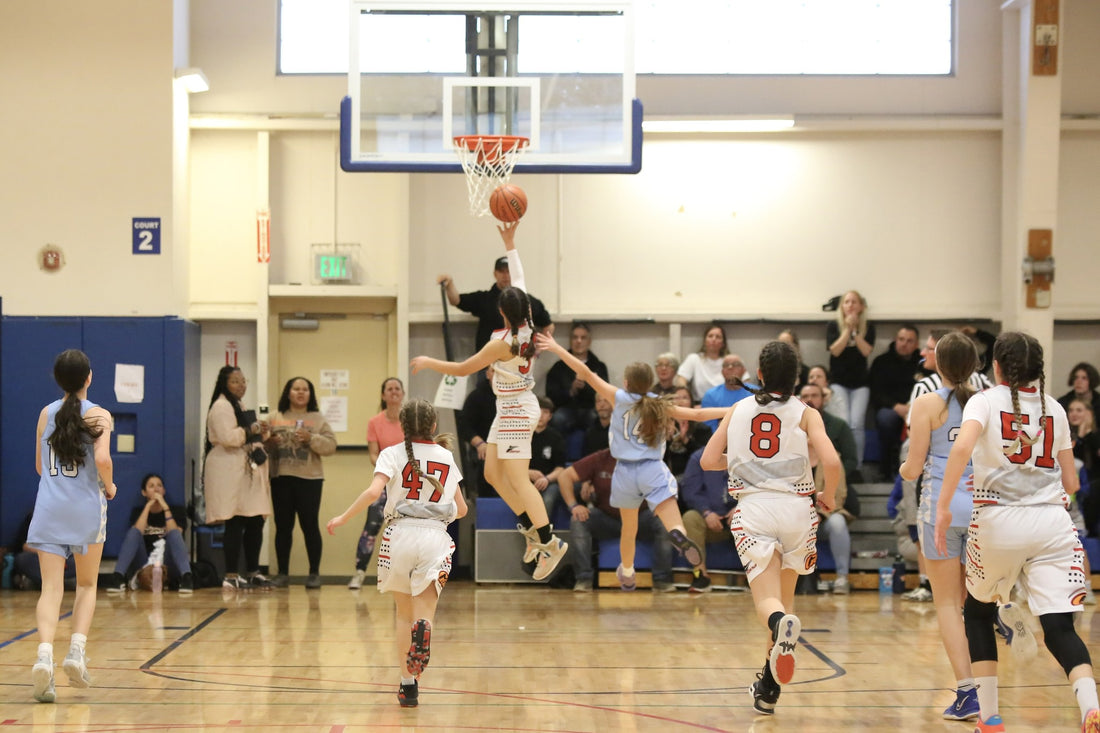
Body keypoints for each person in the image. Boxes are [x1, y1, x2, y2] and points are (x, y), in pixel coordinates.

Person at [934, 331, 1100, 733]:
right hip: (1052, 524)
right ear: (1037, 370)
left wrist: (942, 507)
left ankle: (989, 718)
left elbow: (960, 449)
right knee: (1060, 626)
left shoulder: (983, 401)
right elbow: (1072, 483)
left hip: (999, 520)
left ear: (995, 367)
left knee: (977, 612)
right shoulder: (1056, 409)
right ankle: (1090, 707)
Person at [413, 221, 568, 582]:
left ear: (501, 310)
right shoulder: (528, 324)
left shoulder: (502, 341)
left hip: (517, 409)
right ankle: (532, 531)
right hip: (509, 408)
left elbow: (464, 367)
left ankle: (549, 542)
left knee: (517, 478)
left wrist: (427, 361)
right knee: (492, 473)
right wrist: (510, 242)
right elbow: (521, 279)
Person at [700, 340, 839, 716]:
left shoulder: (738, 408)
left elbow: (709, 461)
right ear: (796, 378)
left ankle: (779, 628)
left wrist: (742, 458)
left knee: (770, 606)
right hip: (799, 510)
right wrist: (830, 494)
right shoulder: (807, 413)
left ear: (758, 375)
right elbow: (832, 459)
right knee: (785, 601)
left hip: (756, 511)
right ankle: (768, 689)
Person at [536, 334, 726, 591]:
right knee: (670, 519)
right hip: (653, 470)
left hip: (623, 472)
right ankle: (678, 535)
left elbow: (585, 371)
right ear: (651, 383)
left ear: (626, 382)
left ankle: (627, 571)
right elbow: (698, 414)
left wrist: (557, 348)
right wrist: (734, 410)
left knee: (629, 526)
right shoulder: (660, 404)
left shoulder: (618, 397)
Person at [326, 399, 468, 708]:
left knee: (403, 615)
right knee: (423, 612)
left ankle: (408, 687)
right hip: (434, 536)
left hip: (398, 535)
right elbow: (462, 509)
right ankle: (425, 628)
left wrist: (343, 517)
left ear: (402, 426)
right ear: (433, 426)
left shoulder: (390, 454)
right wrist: (436, 510)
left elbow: (374, 493)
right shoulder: (445, 456)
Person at [897, 331, 982, 721]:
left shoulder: (926, 402)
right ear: (976, 364)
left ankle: (968, 693)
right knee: (975, 604)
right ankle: (1005, 608)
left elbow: (913, 469)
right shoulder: (986, 402)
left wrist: (901, 469)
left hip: (942, 510)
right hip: (983, 508)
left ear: (938, 364)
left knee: (947, 604)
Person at [28, 349, 117, 703]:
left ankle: (44, 656)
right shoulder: (99, 415)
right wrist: (109, 486)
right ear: (89, 378)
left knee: (50, 589)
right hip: (84, 510)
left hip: (48, 508)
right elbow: (103, 459)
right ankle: (76, 653)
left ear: (57, 379)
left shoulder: (45, 413)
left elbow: (39, 467)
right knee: (86, 584)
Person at [559, 448, 676, 593]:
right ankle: (584, 579)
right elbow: (564, 476)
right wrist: (574, 506)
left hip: (640, 519)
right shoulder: (600, 458)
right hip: (607, 518)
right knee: (578, 520)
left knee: (665, 520)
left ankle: (662, 580)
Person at [203, 366, 274, 591]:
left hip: (245, 472)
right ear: (225, 383)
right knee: (235, 521)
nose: (241, 385)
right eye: (235, 381)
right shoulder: (221, 406)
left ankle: (253, 571)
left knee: (254, 520)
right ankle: (231, 574)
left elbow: (246, 434)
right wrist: (250, 428)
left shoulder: (238, 404)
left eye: (244, 381)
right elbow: (228, 437)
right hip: (229, 471)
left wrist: (262, 431)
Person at [266, 377, 337, 589]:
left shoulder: (318, 418)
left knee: (310, 526)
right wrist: (269, 441)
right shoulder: (274, 417)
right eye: (296, 388)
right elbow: (262, 446)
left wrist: (311, 438)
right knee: (283, 527)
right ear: (288, 392)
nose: (300, 392)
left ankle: (314, 573)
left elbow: (331, 446)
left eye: (305, 389)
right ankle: (282, 574)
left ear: (310, 394)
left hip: (310, 480)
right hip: (280, 479)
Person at [799, 382, 860, 593]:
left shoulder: (832, 457)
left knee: (838, 523)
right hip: (795, 516)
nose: (810, 399)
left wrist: (818, 513)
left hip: (825, 515)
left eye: (814, 395)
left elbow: (839, 494)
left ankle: (842, 577)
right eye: (805, 395)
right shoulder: (792, 455)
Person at [348, 377, 405, 590]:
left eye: (397, 389)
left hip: (406, 485)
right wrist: (388, 467)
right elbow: (373, 454)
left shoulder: (409, 421)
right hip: (384, 481)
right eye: (389, 389)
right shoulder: (375, 422)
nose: (393, 392)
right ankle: (359, 573)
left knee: (403, 530)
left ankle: (401, 574)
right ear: (383, 395)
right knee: (371, 527)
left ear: (402, 393)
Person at [436, 251, 552, 353]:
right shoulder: (485, 299)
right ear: (495, 274)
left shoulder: (527, 301)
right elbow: (457, 300)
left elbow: (548, 325)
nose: (505, 275)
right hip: (488, 363)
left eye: (509, 271)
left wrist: (536, 352)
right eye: (501, 271)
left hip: (516, 365)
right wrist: (449, 284)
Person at [106, 473, 193, 593]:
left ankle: (187, 577)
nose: (156, 488)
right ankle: (117, 577)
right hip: (144, 564)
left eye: (159, 485)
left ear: (164, 490)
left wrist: (165, 508)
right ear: (144, 492)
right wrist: (148, 507)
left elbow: (176, 533)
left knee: (174, 533)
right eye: (151, 486)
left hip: (167, 564)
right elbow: (137, 532)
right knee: (133, 532)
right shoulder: (138, 512)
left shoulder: (176, 511)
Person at [825, 290, 875, 465]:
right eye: (847, 302)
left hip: (861, 384)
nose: (851, 305)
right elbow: (835, 350)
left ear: (861, 306)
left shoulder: (868, 326)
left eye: (855, 302)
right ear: (842, 306)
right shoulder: (833, 326)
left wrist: (855, 331)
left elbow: (866, 350)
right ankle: (843, 462)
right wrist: (847, 329)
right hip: (839, 381)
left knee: (857, 425)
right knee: (844, 422)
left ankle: (857, 465)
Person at [868, 323, 923, 479]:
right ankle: (886, 470)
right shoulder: (881, 362)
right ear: (895, 340)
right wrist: (895, 406)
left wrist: (911, 408)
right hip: (890, 408)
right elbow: (876, 392)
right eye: (901, 339)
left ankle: (915, 471)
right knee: (886, 419)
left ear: (917, 344)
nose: (904, 344)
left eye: (909, 341)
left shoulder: (923, 363)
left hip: (916, 409)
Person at [680, 447, 736, 593]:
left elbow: (758, 487)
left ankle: (756, 578)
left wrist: (741, 506)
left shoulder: (751, 455)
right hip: (710, 520)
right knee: (690, 518)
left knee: (756, 517)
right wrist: (706, 512)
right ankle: (700, 576)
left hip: (739, 518)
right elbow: (690, 492)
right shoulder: (699, 457)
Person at [544, 322, 609, 434]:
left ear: (589, 341)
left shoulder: (599, 366)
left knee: (597, 419)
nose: (579, 341)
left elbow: (605, 394)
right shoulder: (558, 367)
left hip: (590, 409)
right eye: (575, 337)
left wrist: (585, 388)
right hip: (566, 408)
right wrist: (570, 391)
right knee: (558, 419)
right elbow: (551, 395)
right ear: (570, 340)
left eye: (583, 338)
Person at [455, 366, 496, 498]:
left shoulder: (513, 397)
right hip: (483, 447)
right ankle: (485, 506)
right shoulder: (476, 396)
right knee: (486, 463)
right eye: (494, 371)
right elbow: (464, 426)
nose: (498, 374)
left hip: (509, 448)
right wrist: (479, 443)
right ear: (487, 374)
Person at [664, 385, 712, 481]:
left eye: (685, 398)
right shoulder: (663, 427)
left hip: (694, 478)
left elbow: (705, 457)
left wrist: (686, 440)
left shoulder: (702, 429)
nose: (680, 401)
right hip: (668, 477)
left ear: (691, 403)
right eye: (676, 398)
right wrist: (667, 440)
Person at [530, 396, 566, 518]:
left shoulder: (556, 437)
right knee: (524, 498)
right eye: (537, 410)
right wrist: (527, 473)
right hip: (524, 479)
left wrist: (546, 479)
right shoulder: (522, 435)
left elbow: (560, 468)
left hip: (549, 482)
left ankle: (543, 534)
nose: (540, 415)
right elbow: (510, 465)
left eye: (545, 412)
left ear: (550, 416)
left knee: (549, 498)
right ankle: (531, 533)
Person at [700, 353, 755, 430]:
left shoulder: (756, 393)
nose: (730, 367)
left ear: (744, 370)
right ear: (722, 371)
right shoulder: (710, 395)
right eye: (726, 365)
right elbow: (708, 429)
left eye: (735, 364)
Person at [678, 324, 729, 403]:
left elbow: (745, 382)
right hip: (699, 405)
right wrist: (687, 400)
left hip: (725, 404)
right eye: (710, 336)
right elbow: (681, 380)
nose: (714, 339)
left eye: (718, 337)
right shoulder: (694, 358)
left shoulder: (729, 361)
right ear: (705, 340)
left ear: (723, 343)